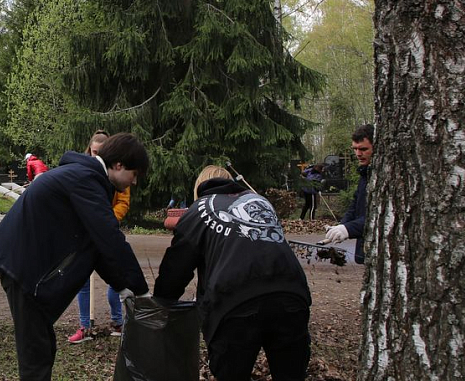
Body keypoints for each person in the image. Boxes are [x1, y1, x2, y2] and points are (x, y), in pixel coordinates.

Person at [0, 133, 151, 381]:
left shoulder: (86, 177)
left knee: (42, 347)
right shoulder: (85, 179)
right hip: (22, 268)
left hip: (24, 266)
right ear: (119, 165)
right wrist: (141, 290)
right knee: (35, 355)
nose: (134, 182)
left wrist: (124, 285)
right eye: (134, 175)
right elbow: (109, 238)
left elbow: (95, 246)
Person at [154, 165, 312, 381]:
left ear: (198, 188)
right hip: (292, 294)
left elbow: (177, 267)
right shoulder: (259, 201)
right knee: (291, 373)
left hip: (235, 300)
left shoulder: (199, 209)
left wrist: (161, 303)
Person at [68, 130, 130, 344]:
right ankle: (85, 326)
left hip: (106, 231)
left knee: (116, 277)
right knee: (82, 280)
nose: (96, 157)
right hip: (83, 234)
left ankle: (117, 322)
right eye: (93, 152)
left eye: (100, 153)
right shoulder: (82, 170)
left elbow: (123, 201)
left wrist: (104, 220)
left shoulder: (116, 172)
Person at [321, 123, 374, 264]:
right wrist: (341, 226)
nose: (358, 154)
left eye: (363, 149)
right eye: (355, 149)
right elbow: (355, 206)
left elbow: (377, 217)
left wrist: (348, 229)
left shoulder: (382, 176)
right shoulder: (365, 175)